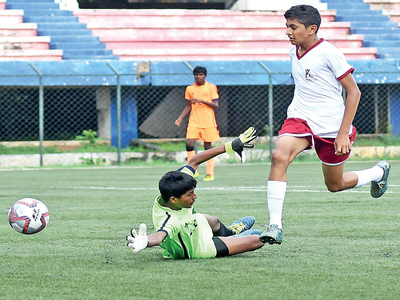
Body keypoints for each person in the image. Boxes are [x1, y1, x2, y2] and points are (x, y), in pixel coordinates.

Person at [259, 5, 391, 245]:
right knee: (279, 156)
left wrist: (342, 134)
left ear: (312, 29)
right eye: (286, 27)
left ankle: (377, 172)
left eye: (293, 27)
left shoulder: (329, 52)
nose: (288, 32)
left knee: (335, 184)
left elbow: (354, 93)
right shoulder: (293, 52)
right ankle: (274, 225)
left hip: (331, 126)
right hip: (299, 118)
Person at [127, 127, 267, 259]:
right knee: (257, 239)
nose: (195, 196)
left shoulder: (175, 186)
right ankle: (230, 239)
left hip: (191, 226)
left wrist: (230, 146)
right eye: (190, 194)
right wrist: (145, 241)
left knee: (213, 220)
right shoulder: (170, 220)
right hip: (197, 247)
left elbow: (195, 160)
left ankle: (231, 233)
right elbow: (158, 237)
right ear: (174, 199)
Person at [175, 66, 219, 182]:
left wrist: (201, 101)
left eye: (200, 75)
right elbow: (189, 105)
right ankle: (192, 171)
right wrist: (180, 118)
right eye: (196, 75)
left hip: (208, 121)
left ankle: (210, 173)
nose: (198, 77)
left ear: (205, 76)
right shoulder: (190, 88)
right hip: (194, 121)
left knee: (207, 147)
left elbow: (215, 105)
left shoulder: (211, 87)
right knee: (189, 143)